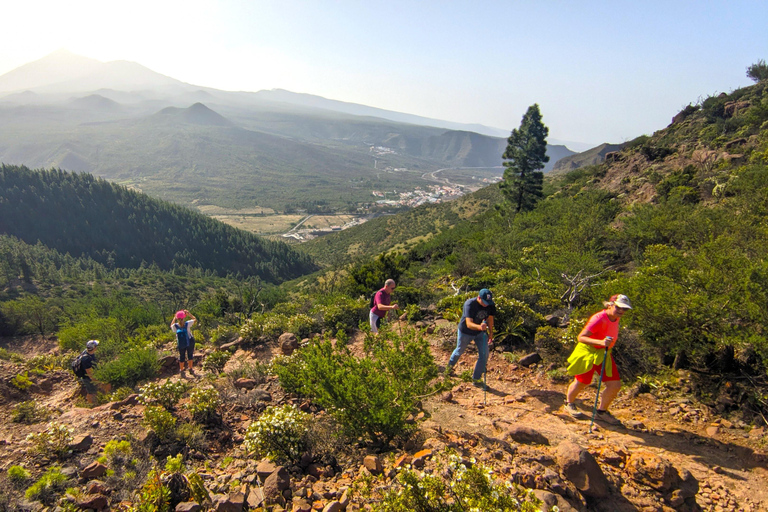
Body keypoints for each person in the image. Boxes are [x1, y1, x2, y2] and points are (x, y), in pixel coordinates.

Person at [563, 294, 632, 423]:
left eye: (625, 309)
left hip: (604, 352)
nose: (622, 311)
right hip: (588, 352)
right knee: (582, 381)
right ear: (610, 305)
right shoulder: (599, 318)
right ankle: (569, 403)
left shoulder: (615, 317)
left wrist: (604, 345)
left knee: (615, 385)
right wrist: (601, 342)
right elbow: (581, 337)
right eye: (619, 307)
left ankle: (601, 412)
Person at [446, 289, 496, 384]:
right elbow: (469, 323)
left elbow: (490, 318)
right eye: (484, 302)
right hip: (466, 332)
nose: (486, 305)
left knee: (484, 355)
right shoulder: (469, 304)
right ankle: (448, 369)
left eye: (488, 302)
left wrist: (490, 332)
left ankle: (476, 379)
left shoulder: (490, 305)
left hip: (480, 333)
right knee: (459, 350)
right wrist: (480, 327)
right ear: (479, 297)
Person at [171, 310, 197, 375]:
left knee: (182, 356)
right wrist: (189, 313)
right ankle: (190, 369)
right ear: (184, 317)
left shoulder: (175, 326)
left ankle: (181, 370)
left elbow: (171, 325)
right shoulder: (187, 323)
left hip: (181, 343)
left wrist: (174, 317)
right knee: (190, 355)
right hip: (190, 340)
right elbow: (195, 319)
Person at [75, 339, 101, 405]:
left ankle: (91, 403)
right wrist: (96, 381)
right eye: (96, 346)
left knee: (92, 391)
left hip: (87, 375)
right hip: (86, 377)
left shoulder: (88, 352)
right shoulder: (86, 359)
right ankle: (92, 405)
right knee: (92, 391)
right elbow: (89, 373)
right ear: (94, 348)